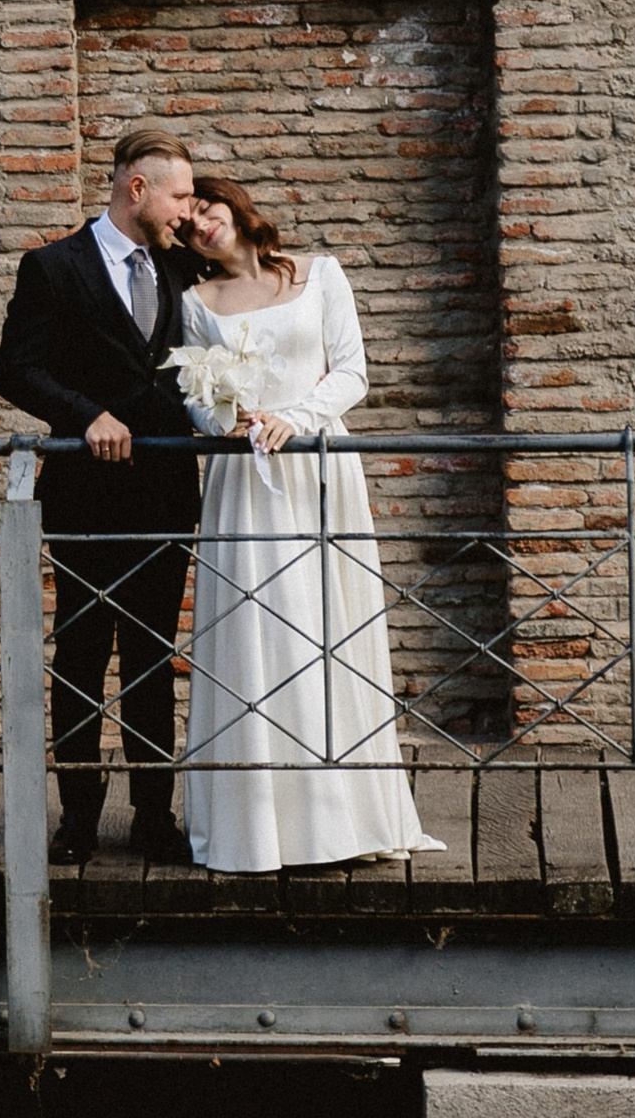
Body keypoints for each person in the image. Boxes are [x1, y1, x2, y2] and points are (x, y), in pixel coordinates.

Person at [167, 172, 441, 873]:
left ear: (234, 205)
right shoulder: (196, 303)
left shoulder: (319, 275)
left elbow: (352, 373)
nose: (201, 224)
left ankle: (343, 815)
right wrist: (225, 419)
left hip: (319, 468)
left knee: (329, 624)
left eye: (207, 207)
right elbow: (191, 398)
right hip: (245, 481)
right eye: (188, 223)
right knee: (255, 627)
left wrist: (294, 419)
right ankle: (258, 826)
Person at [0, 122, 202, 864]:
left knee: (152, 656)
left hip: (166, 493)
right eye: (180, 195)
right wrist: (85, 415)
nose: (188, 209)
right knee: (81, 654)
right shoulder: (53, 267)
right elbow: (15, 371)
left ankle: (153, 816)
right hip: (84, 496)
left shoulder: (184, 267)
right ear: (137, 188)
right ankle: (77, 817)